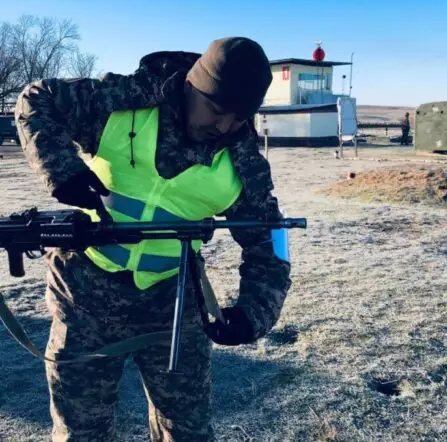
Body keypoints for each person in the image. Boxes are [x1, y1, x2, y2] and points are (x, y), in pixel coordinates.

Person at [14, 37, 292, 442]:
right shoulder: (126, 100)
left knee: (188, 434)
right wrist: (63, 171)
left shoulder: (244, 159)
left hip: (175, 308)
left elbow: (271, 241)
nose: (223, 127)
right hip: (85, 299)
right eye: (215, 111)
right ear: (192, 86)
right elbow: (37, 99)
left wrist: (255, 313)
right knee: (81, 434)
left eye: (238, 118)